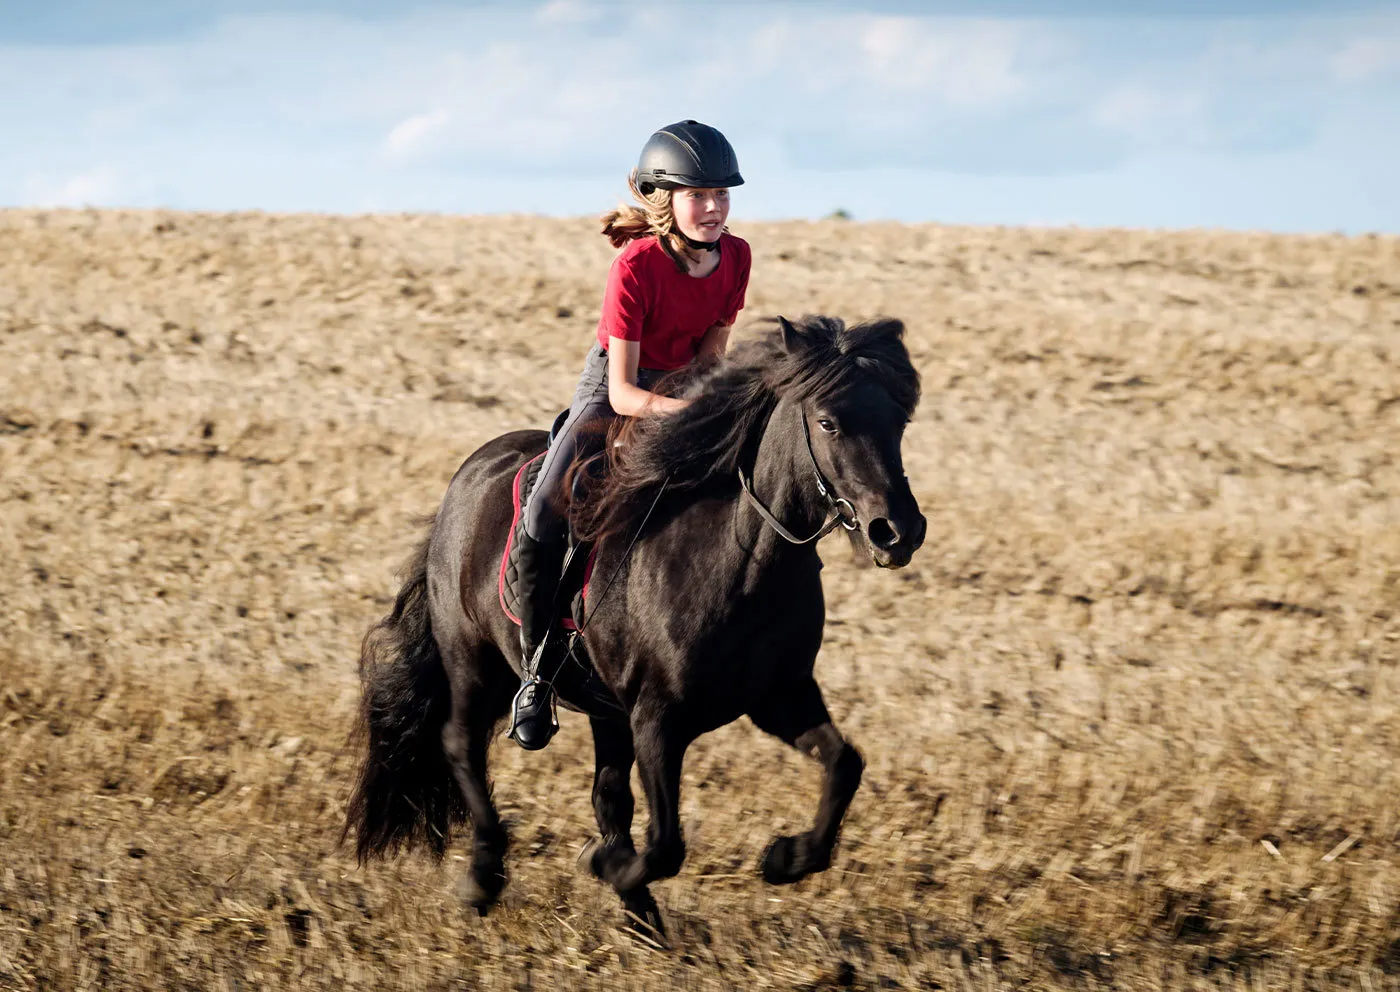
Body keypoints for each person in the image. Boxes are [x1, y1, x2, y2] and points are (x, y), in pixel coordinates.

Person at [508, 120, 752, 750]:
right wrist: (687, 413)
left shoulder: (737, 257)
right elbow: (621, 393)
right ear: (664, 200)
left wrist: (712, 405)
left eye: (722, 194)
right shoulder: (636, 265)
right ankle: (536, 671)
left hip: (683, 385)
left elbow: (711, 356)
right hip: (615, 388)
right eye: (698, 195)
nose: (714, 207)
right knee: (542, 511)